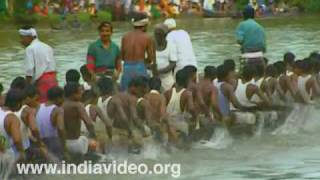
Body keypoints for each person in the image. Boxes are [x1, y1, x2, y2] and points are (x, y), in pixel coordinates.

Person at [19, 26, 57, 103]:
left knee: (42, 106)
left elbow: (29, 71)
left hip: (42, 82)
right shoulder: (47, 46)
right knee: (53, 104)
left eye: (22, 38)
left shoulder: (30, 49)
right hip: (53, 80)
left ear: (29, 37)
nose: (21, 41)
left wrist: (26, 89)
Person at [120, 13, 155, 91]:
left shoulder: (125, 37)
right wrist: (142, 62)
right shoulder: (147, 37)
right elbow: (150, 58)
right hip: (140, 68)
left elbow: (122, 57)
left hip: (127, 68)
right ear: (145, 25)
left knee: (126, 93)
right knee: (141, 93)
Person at [164, 70, 196, 147]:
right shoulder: (188, 93)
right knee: (193, 124)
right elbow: (191, 108)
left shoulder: (168, 92)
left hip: (167, 122)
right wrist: (195, 117)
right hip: (179, 123)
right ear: (187, 80)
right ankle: (188, 143)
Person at [62, 83, 96, 156]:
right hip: (75, 143)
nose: (82, 93)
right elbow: (89, 123)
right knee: (97, 144)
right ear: (74, 94)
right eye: (80, 91)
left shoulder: (60, 105)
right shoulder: (78, 105)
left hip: (63, 143)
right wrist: (94, 137)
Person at [36, 86, 69, 160]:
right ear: (58, 98)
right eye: (63, 97)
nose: (64, 100)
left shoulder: (38, 107)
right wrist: (64, 148)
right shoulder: (58, 110)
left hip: (39, 143)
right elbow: (60, 128)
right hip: (52, 142)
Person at [0, 89, 26, 161]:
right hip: (4, 155)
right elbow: (17, 140)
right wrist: (22, 152)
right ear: (18, 103)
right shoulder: (12, 118)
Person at [144, 77, 168, 143]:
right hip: (157, 126)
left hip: (147, 126)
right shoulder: (161, 97)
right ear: (160, 87)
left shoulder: (145, 96)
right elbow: (163, 114)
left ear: (148, 86)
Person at [153, 23, 177, 91]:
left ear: (165, 35)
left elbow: (173, 63)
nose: (157, 36)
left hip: (167, 79)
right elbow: (145, 60)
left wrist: (159, 71)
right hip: (153, 78)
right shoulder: (151, 44)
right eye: (156, 34)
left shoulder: (171, 45)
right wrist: (152, 69)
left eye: (159, 34)